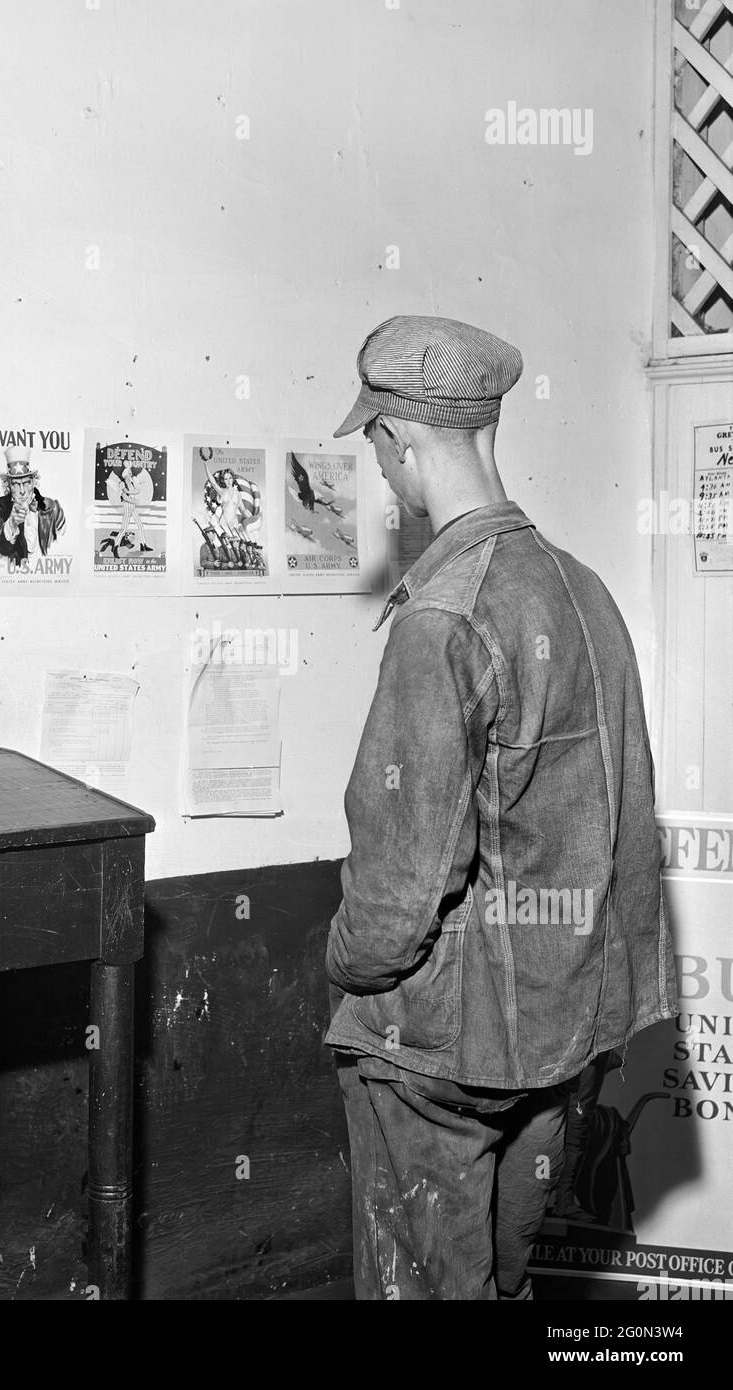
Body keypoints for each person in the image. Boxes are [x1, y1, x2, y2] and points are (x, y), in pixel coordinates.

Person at [324, 315, 676, 1301]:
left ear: (399, 440)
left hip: (442, 1048)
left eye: (378, 449)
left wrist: (345, 961)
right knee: (512, 1283)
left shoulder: (443, 613)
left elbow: (401, 888)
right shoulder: (583, 589)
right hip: (564, 1032)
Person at [0, 447, 65, 568]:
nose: (22, 491)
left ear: (34, 482)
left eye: (26, 483)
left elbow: (64, 543)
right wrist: (11, 524)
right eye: (15, 484)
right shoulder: (1, 506)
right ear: (8, 486)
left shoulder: (52, 507)